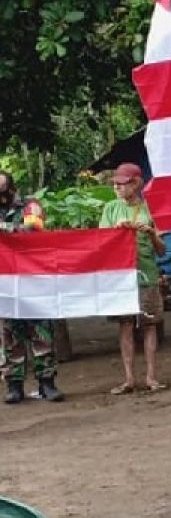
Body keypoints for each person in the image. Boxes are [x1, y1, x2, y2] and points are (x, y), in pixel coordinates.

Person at [100, 163, 167, 394]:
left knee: (149, 326)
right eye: (116, 183)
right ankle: (129, 378)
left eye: (122, 182)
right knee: (125, 325)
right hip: (122, 278)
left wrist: (149, 232)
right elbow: (101, 243)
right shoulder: (110, 209)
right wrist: (117, 231)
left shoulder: (151, 209)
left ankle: (151, 376)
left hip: (147, 273)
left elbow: (162, 250)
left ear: (136, 183)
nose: (117, 187)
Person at [0, 172, 62, 404]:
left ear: (11, 190)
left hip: (33, 279)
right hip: (5, 282)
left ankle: (47, 383)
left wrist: (4, 227)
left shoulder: (31, 205)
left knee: (41, 333)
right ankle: (14, 385)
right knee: (9, 335)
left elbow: (32, 230)